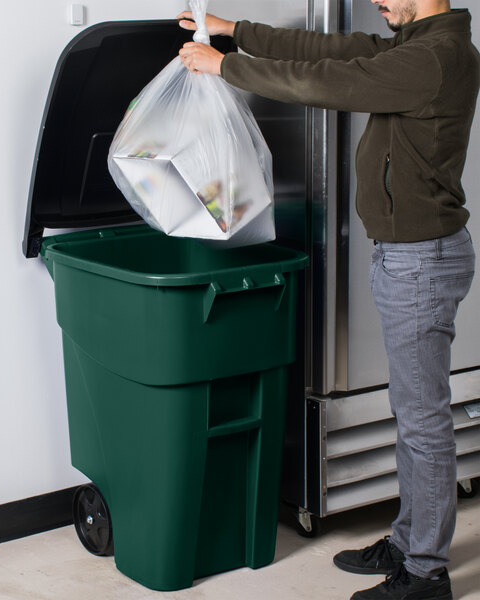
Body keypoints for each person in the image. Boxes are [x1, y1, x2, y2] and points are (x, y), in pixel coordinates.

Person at [177, 2, 479, 600]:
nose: (376, 2)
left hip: (420, 261)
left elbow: (326, 82)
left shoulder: (435, 58)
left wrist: (225, 67)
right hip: (408, 256)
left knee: (422, 421)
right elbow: (331, 53)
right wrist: (236, 32)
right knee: (412, 414)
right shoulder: (416, 47)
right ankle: (407, 540)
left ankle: (426, 574)